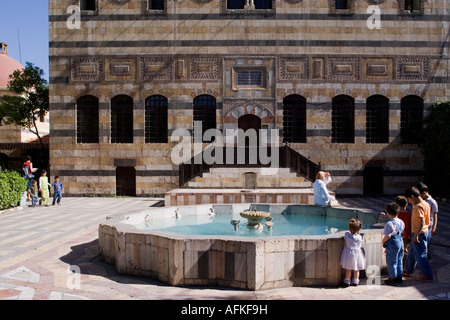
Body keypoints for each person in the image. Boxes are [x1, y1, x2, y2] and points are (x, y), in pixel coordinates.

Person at [403, 186, 433, 282]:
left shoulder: (419, 206)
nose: (409, 202)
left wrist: (416, 235)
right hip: (421, 232)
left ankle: (428, 276)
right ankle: (407, 270)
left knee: (421, 255)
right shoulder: (425, 203)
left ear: (412, 197)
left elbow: (422, 222)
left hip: (419, 233)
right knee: (411, 252)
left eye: (409, 200)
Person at [382, 202, 405, 285]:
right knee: (399, 260)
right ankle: (399, 276)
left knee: (391, 261)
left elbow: (387, 236)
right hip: (400, 242)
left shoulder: (389, 224)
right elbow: (402, 233)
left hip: (393, 244)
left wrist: (383, 242)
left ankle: (392, 277)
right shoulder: (401, 222)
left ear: (388, 213)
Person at [340, 218, 366, 287]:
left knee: (348, 269)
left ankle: (347, 281)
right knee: (356, 269)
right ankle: (355, 281)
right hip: (358, 254)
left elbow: (345, 236)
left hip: (349, 254)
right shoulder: (360, 237)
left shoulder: (347, 235)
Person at [415, 182, 438, 257]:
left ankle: (426, 256)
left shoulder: (432, 202)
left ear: (424, 193)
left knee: (427, 242)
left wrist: (434, 228)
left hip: (428, 226)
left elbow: (435, 215)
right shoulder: (421, 201)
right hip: (421, 225)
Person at [395, 195, 411, 263]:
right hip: (407, 235)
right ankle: (404, 264)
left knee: (398, 251)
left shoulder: (396, 215)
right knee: (405, 250)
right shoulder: (410, 214)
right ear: (406, 205)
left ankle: (400, 263)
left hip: (398, 236)